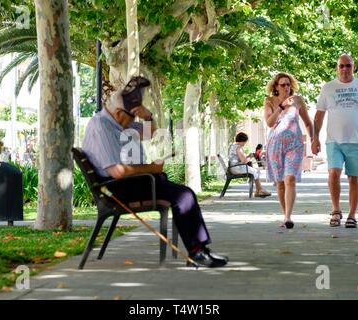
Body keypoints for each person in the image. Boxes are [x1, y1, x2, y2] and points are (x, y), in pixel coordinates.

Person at [82, 76, 228, 268]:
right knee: (184, 196)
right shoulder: (101, 127)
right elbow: (117, 171)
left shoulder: (117, 122)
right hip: (118, 189)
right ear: (119, 113)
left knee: (184, 194)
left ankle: (198, 250)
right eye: (132, 117)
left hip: (134, 182)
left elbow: (150, 133)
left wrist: (147, 116)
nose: (134, 121)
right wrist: (152, 168)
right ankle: (197, 252)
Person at [312, 54, 358, 228]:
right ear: (337, 68)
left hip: (357, 140)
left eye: (348, 66)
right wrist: (315, 138)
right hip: (334, 140)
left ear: (353, 67)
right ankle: (336, 210)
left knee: (354, 178)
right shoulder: (328, 88)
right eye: (341, 66)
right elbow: (319, 116)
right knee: (333, 172)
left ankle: (352, 215)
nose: (344, 69)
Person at [264, 72, 313, 229]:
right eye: (283, 85)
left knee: (290, 179)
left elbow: (308, 123)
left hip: (294, 145)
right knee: (280, 184)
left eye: (288, 84)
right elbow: (270, 123)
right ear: (276, 87)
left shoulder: (298, 101)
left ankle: (288, 217)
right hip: (275, 146)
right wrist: (280, 107)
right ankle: (285, 216)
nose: (286, 87)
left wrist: (314, 141)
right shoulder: (270, 101)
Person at [228, 133, 271, 197]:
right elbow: (244, 161)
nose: (244, 144)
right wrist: (250, 157)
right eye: (245, 142)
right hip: (237, 168)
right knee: (255, 171)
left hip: (234, 167)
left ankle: (258, 190)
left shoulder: (233, 146)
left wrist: (247, 156)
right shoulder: (238, 148)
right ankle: (259, 191)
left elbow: (240, 159)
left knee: (255, 171)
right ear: (242, 141)